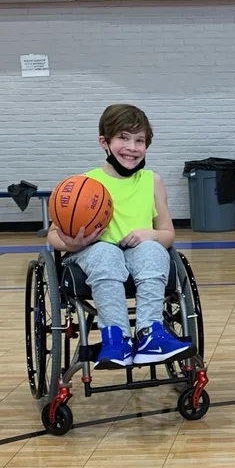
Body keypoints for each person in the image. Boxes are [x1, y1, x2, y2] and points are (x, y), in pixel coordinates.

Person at [47, 103, 193, 368]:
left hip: (139, 256)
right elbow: (53, 236)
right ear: (104, 142)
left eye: (139, 140)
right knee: (106, 252)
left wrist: (151, 234)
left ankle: (150, 333)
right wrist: (73, 243)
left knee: (152, 249)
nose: (132, 147)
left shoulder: (152, 181)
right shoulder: (84, 184)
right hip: (94, 254)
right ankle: (115, 338)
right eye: (123, 138)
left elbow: (168, 234)